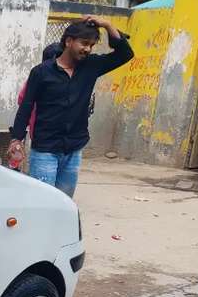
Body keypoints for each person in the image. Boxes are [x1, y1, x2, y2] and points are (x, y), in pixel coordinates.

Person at [8, 16, 133, 196]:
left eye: (91, 45)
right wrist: (16, 139)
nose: (87, 49)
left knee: (64, 203)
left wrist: (107, 25)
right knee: (42, 202)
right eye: (84, 43)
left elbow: (125, 54)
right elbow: (26, 106)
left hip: (74, 148)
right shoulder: (41, 72)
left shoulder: (92, 66)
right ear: (68, 41)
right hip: (45, 149)